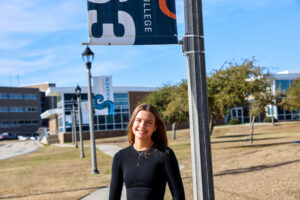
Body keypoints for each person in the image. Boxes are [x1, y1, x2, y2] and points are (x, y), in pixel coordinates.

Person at [109, 104, 185, 200]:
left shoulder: (165, 154)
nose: (142, 126)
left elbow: (178, 195)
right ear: (132, 123)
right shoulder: (120, 157)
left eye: (148, 122)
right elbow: (113, 197)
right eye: (138, 120)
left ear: (155, 127)